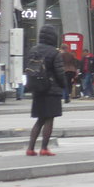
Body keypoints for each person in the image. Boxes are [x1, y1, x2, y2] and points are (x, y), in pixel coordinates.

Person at [26, 25, 65, 156]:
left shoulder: (33, 50)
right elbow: (59, 72)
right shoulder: (54, 52)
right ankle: (44, 148)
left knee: (39, 120)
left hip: (37, 88)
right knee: (49, 119)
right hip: (51, 90)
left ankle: (30, 148)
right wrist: (64, 86)